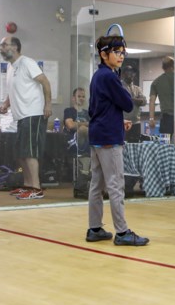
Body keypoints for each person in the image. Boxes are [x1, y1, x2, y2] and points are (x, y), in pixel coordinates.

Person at [85, 33, 149, 246]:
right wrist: (119, 81)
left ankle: (94, 229)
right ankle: (122, 233)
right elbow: (128, 104)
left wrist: (117, 122)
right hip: (108, 139)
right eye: (116, 52)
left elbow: (98, 109)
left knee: (97, 184)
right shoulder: (110, 77)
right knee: (115, 184)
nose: (121, 56)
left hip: (97, 135)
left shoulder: (98, 76)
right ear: (104, 55)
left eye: (123, 52)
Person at [0, 36, 52, 200]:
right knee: (20, 154)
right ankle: (27, 185)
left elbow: (45, 82)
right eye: (0, 45)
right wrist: (6, 104)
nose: (1, 48)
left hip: (33, 113)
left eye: (4, 45)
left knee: (30, 153)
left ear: (14, 47)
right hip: (20, 116)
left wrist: (48, 105)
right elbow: (12, 89)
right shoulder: (10, 66)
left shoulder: (27, 62)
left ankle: (36, 188)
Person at [147, 56, 174, 140]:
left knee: (164, 144)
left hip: (166, 119)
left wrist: (151, 118)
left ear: (163, 67)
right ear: (173, 66)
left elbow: (152, 101)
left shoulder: (156, 82)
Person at [121, 65, 147, 143]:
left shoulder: (137, 88)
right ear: (123, 74)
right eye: (129, 72)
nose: (131, 74)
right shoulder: (119, 87)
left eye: (133, 72)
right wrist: (137, 100)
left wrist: (132, 99)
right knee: (123, 146)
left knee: (136, 146)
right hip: (123, 122)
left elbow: (144, 101)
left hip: (136, 122)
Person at [62, 87, 89, 152]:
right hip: (73, 142)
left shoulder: (87, 113)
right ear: (73, 98)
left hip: (87, 142)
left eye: (83, 96)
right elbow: (70, 125)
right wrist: (87, 123)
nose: (81, 98)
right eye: (79, 96)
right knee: (83, 129)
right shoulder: (68, 111)